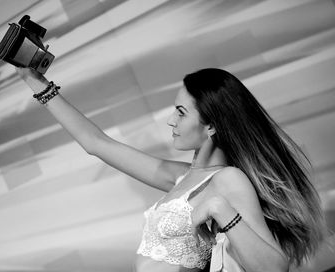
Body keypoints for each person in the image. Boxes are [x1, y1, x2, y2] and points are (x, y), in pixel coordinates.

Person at [16, 67, 326, 272]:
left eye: (180, 113)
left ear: (212, 125)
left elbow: (275, 267)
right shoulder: (180, 178)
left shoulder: (228, 181)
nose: (170, 121)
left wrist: (219, 209)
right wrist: (35, 81)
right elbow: (96, 143)